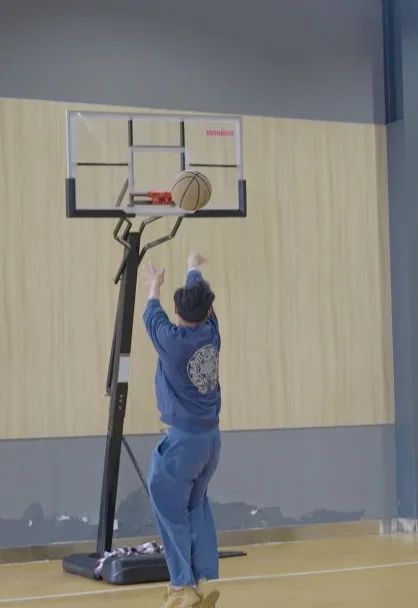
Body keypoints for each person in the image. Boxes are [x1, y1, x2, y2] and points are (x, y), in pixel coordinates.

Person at [143, 253, 222, 608]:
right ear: (208, 311)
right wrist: (193, 266)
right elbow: (199, 297)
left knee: (168, 505)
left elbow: (151, 314)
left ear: (178, 313)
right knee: (196, 505)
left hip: (182, 442)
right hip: (210, 441)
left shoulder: (172, 342)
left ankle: (181, 588)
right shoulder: (211, 332)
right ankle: (205, 579)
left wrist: (154, 285)